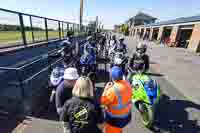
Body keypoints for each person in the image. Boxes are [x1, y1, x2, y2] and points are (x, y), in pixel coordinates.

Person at [101, 66, 132, 133]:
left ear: (112, 77)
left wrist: (105, 89)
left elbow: (103, 102)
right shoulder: (127, 84)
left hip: (114, 120)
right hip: (126, 116)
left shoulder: (112, 90)